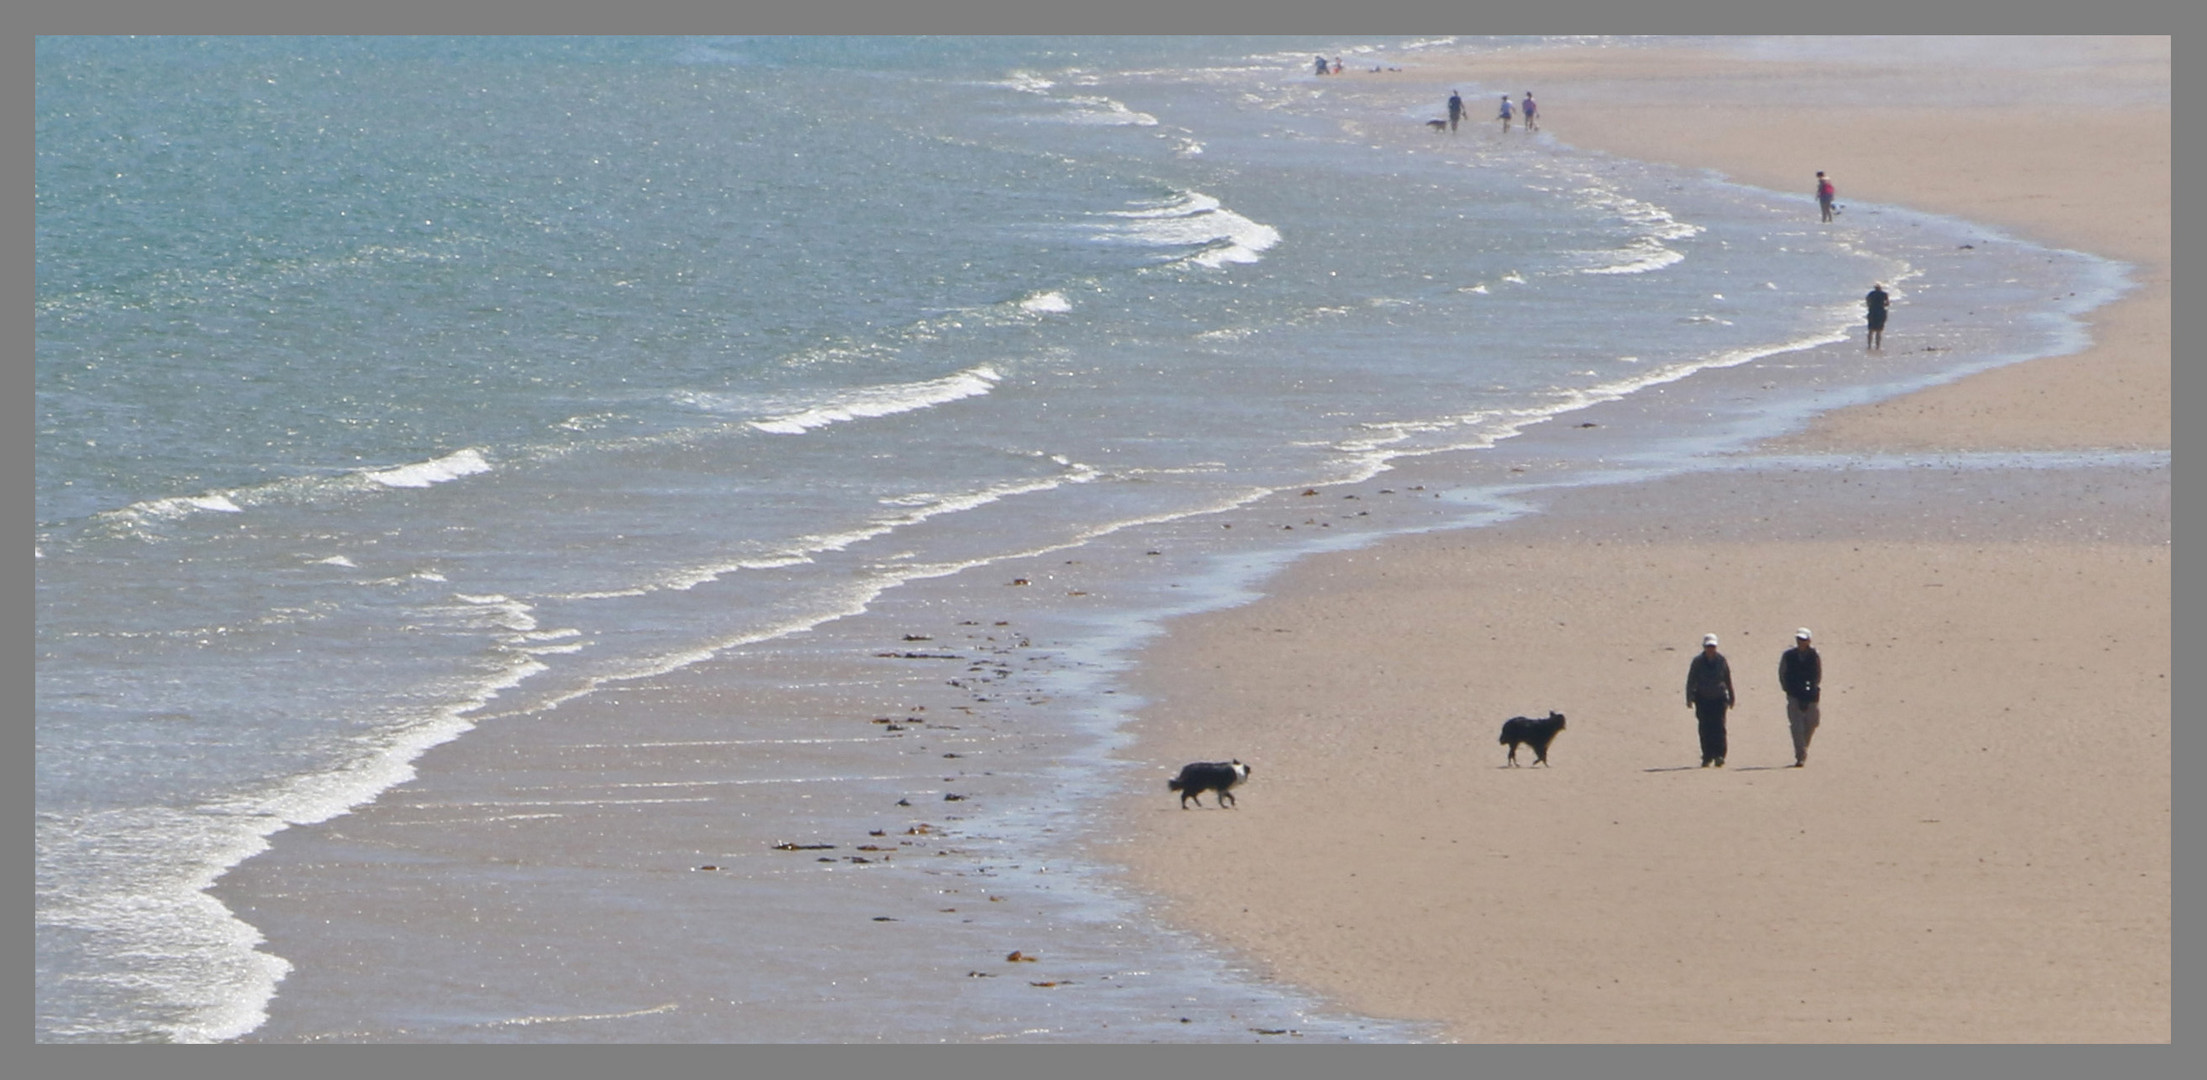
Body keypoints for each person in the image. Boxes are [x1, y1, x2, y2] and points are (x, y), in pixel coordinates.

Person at [1686, 633, 1735, 767]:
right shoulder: (1697, 662)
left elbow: (1727, 679)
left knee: (1719, 727)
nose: (1710, 649)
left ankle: (1720, 755)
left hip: (1719, 699)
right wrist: (1689, 697)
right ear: (1704, 647)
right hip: (1702, 699)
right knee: (1704, 728)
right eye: (1708, 646)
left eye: (1713, 646)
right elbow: (1691, 680)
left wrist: (1732, 697)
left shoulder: (1721, 661)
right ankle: (1707, 756)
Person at [1779, 628, 1822, 767]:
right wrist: (1788, 689)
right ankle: (1800, 755)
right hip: (1794, 695)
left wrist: (1812, 688)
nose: (1801, 642)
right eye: (1799, 639)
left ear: (1809, 641)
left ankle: (1803, 747)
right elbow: (1782, 673)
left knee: (1813, 722)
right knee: (1796, 726)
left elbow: (1818, 674)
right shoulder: (1788, 656)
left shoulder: (1814, 655)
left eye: (1803, 639)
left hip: (1811, 695)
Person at [1865, 282, 1889, 351]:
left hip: (1872, 312)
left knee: (1870, 330)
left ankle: (1869, 345)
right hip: (1880, 312)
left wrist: (1870, 306)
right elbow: (1887, 303)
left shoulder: (1871, 294)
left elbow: (1867, 300)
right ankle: (1877, 346)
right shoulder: (1884, 294)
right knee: (1879, 331)